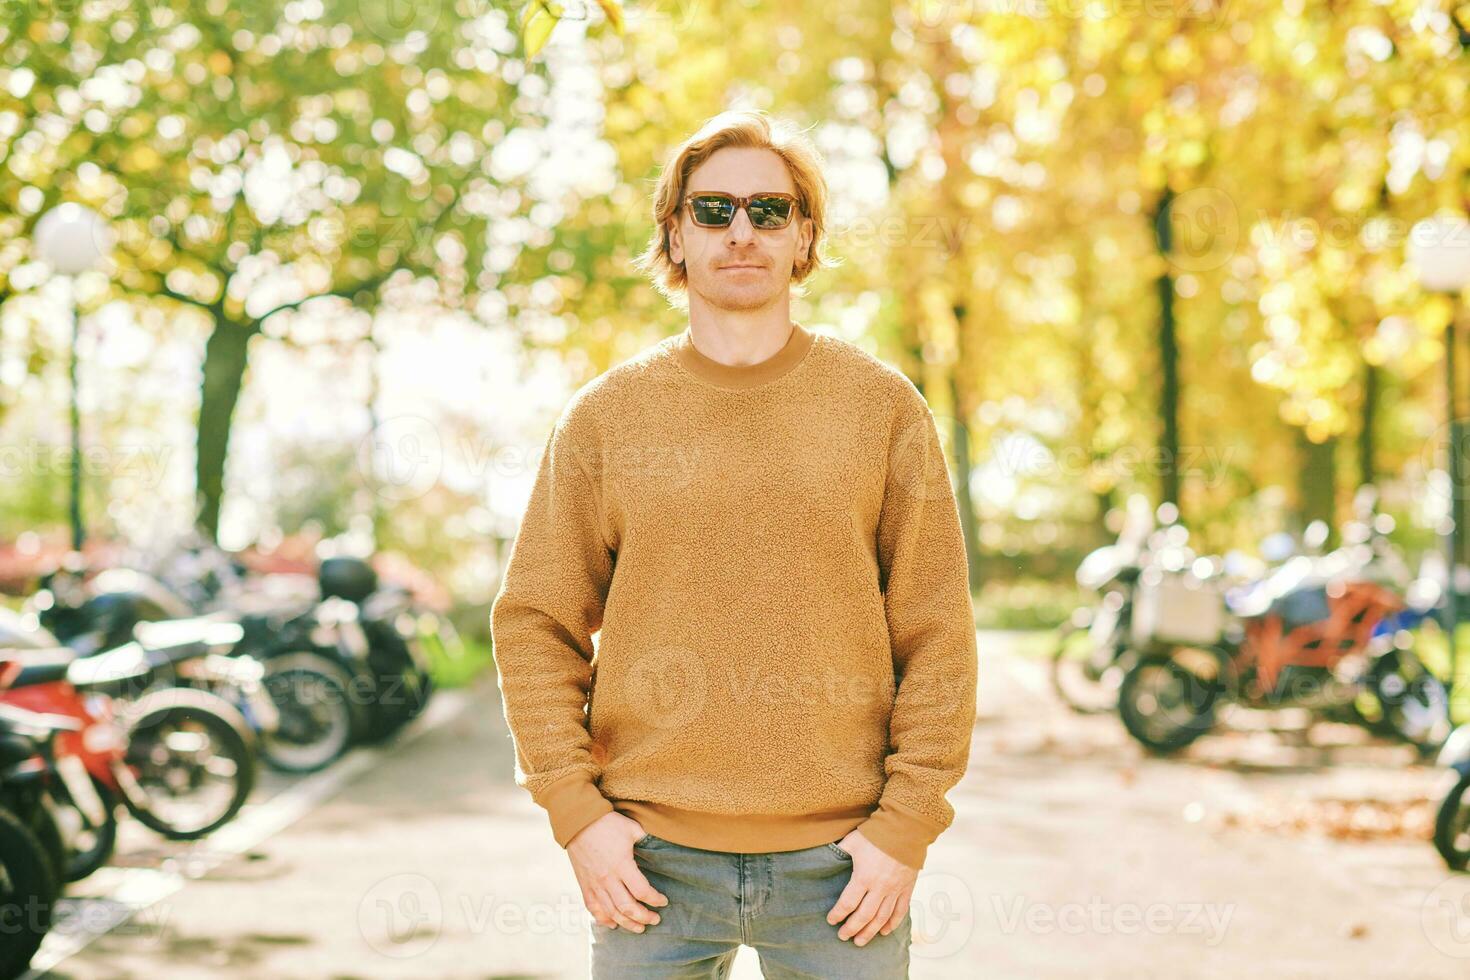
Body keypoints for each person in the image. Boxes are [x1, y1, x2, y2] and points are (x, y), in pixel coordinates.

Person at [491, 108, 978, 978]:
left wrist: (905, 827)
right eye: (713, 211)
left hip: (842, 870)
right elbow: (534, 621)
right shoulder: (606, 418)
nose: (741, 231)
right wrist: (577, 815)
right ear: (674, 235)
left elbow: (937, 631)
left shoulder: (883, 408)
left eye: (769, 209)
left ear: (805, 236)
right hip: (649, 867)